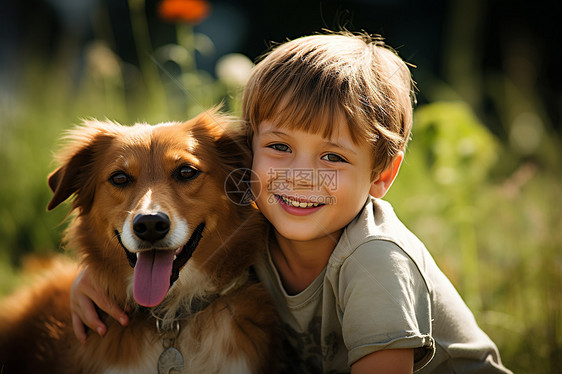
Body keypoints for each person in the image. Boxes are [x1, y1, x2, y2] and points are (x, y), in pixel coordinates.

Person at [69, 31, 511, 373]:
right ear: (247, 153)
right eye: (280, 148)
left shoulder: (376, 263)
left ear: (382, 175)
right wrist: (93, 277)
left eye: (333, 156)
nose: (301, 176)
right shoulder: (258, 232)